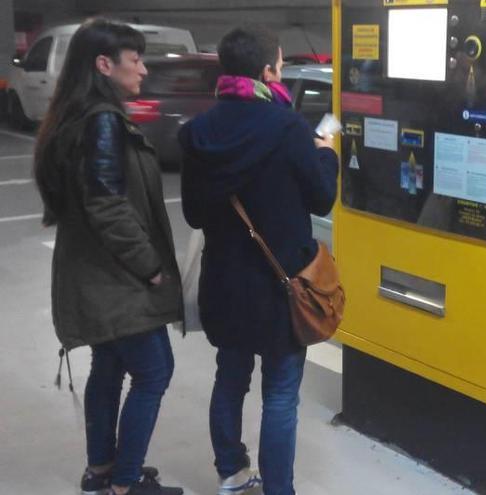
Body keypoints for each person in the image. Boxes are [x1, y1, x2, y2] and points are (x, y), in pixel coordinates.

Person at [178, 26, 338, 495]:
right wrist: (325, 155)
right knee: (281, 395)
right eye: (282, 65)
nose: (283, 73)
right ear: (268, 71)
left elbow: (192, 213)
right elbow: (322, 198)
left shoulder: (197, 133)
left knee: (230, 378)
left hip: (224, 285)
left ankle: (231, 471)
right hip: (280, 288)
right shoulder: (287, 128)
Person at [32, 19, 184, 495]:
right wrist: (151, 267)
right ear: (104, 64)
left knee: (110, 367)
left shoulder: (77, 115)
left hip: (93, 272)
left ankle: (101, 471)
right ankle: (124, 483)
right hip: (116, 276)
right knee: (155, 370)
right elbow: (106, 204)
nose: (142, 68)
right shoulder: (101, 120)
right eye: (134, 59)